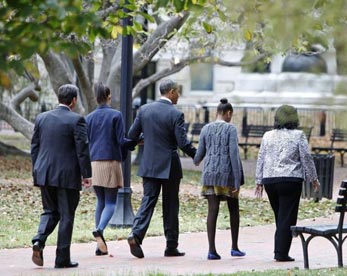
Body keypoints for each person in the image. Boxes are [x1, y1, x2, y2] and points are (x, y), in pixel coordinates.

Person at [127, 79, 196, 258]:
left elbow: (132, 135)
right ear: (171, 92)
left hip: (149, 163)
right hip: (169, 164)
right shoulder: (175, 114)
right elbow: (183, 143)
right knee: (171, 205)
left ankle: (135, 234)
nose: (178, 95)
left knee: (148, 199)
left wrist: (144, 139)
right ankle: (171, 246)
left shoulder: (144, 110)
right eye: (178, 92)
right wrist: (198, 155)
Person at [30, 84, 92, 268]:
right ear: (74, 100)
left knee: (50, 211)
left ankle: (39, 240)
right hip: (67, 175)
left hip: (44, 173)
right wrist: (86, 174)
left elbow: (34, 147)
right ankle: (62, 258)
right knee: (66, 215)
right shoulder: (77, 120)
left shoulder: (42, 118)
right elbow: (82, 149)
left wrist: (37, 169)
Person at [255, 104, 320, 262]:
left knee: (281, 216)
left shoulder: (267, 135)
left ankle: (280, 249)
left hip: (270, 180)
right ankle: (281, 253)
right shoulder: (298, 135)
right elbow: (306, 157)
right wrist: (314, 178)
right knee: (286, 218)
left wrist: (259, 181)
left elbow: (261, 158)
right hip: (290, 180)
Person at [86, 83, 135, 256]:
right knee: (111, 203)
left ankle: (99, 246)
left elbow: (87, 142)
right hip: (110, 162)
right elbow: (121, 141)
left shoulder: (89, 117)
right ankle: (99, 230)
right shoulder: (116, 115)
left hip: (94, 163)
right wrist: (135, 142)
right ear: (108, 95)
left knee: (100, 201)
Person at [193, 98, 246, 260]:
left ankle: (211, 250)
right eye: (231, 114)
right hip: (227, 176)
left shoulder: (205, 129)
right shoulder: (230, 129)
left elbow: (197, 158)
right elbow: (234, 156)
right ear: (228, 113)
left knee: (212, 211)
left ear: (217, 112)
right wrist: (237, 181)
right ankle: (234, 247)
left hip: (209, 175)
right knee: (233, 210)